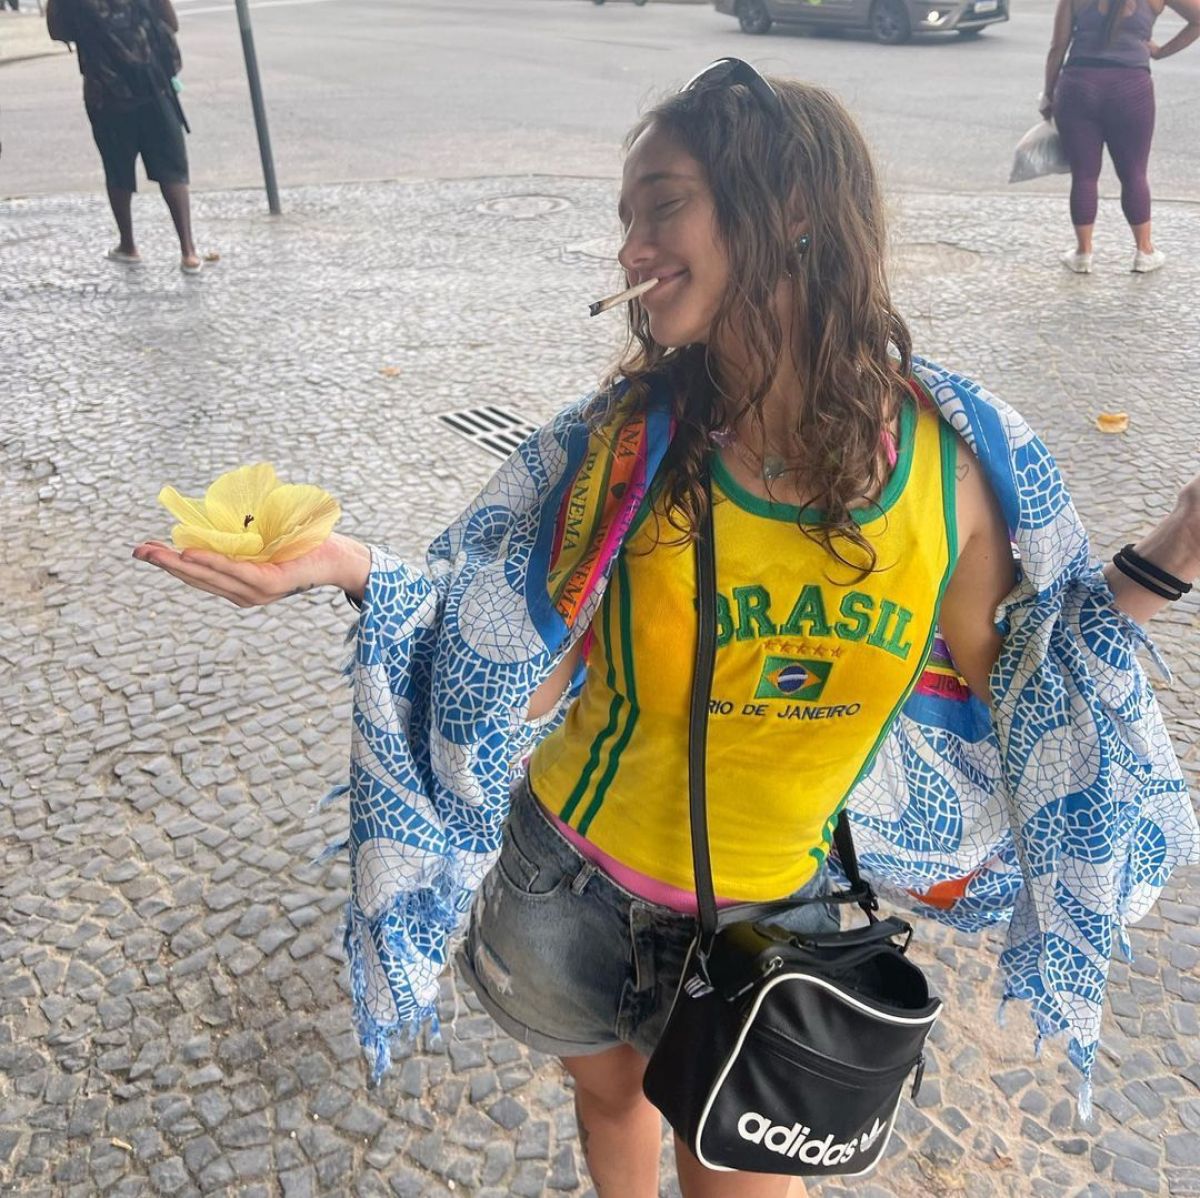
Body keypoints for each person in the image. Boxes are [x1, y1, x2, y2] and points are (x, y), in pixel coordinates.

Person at [132, 62, 1200, 1198]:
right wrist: (347, 568)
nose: (633, 248)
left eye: (664, 204)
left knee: (730, 1167)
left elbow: (1036, 689)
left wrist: (1177, 547)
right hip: (568, 887)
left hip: (769, 925)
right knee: (609, 1105)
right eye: (627, 218)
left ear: (787, 209)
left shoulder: (952, 471)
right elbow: (505, 644)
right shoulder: (628, 444)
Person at [1041, 0, 1200, 274]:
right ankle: (1144, 251)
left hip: (1078, 86)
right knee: (1134, 173)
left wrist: (1048, 93)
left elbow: (1058, 46)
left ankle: (1083, 254)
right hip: (1131, 88)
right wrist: (1161, 52)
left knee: (1084, 175)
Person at [46, 0, 202, 273]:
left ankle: (128, 245)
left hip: (107, 95)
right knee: (172, 170)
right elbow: (171, 24)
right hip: (154, 88)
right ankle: (188, 251)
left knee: (118, 169)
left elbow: (59, 32)